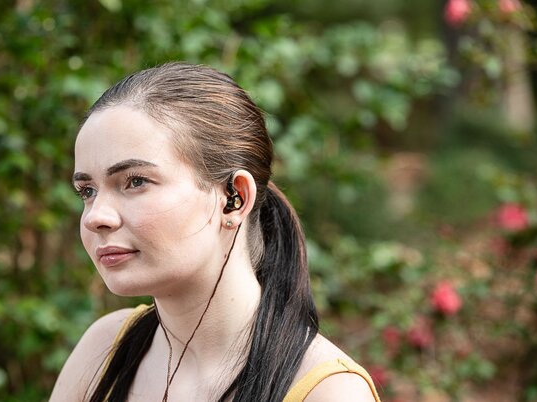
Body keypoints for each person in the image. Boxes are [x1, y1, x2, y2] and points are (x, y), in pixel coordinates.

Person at [49, 62, 381, 402]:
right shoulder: (104, 350)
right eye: (87, 191)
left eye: (135, 181)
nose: (96, 217)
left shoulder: (328, 391)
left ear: (234, 199)